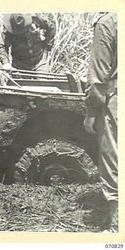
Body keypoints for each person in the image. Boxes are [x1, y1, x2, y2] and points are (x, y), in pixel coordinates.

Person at [83, 12, 117, 233]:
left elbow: (98, 74)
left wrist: (91, 112)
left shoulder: (109, 21)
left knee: (114, 155)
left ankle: (117, 225)